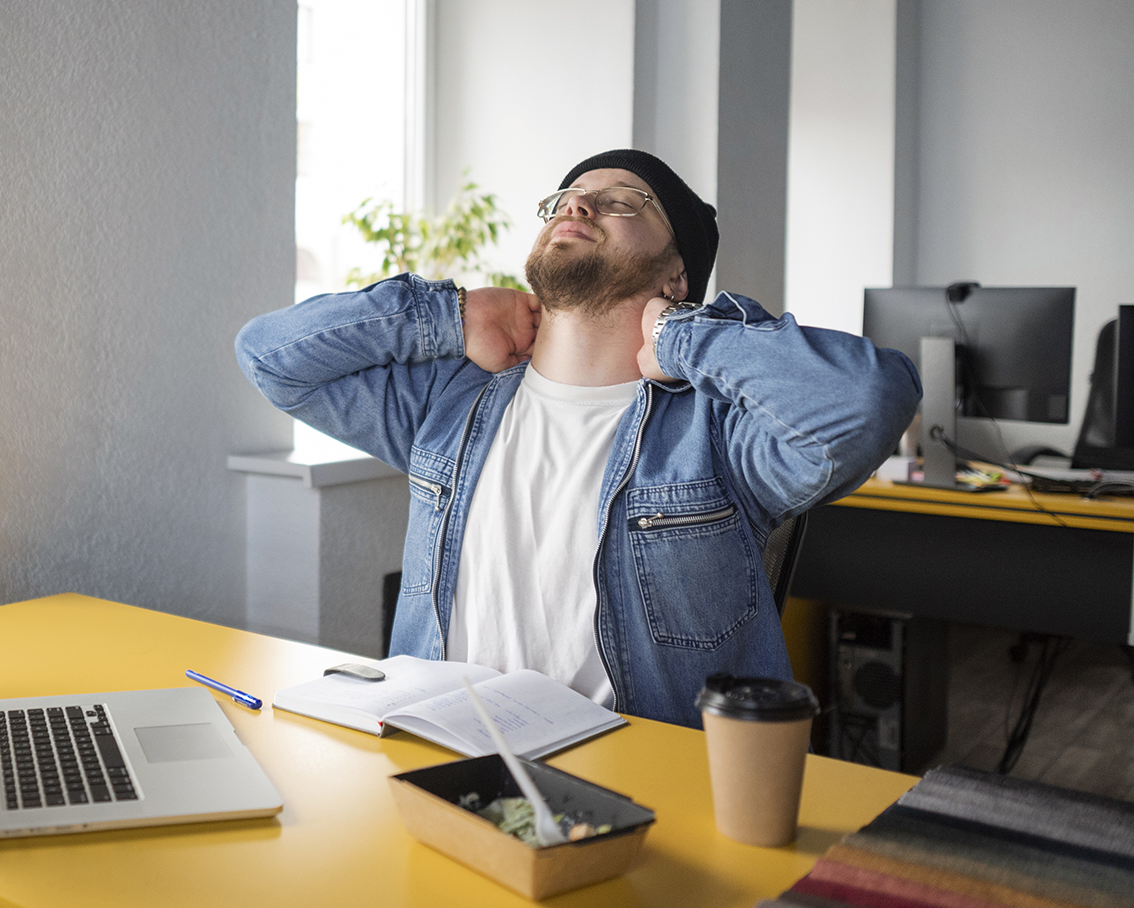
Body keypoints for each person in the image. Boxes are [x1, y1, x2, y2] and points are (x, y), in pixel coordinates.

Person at [235, 149, 920, 728]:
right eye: (567, 197)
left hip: (638, 781)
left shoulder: (718, 433)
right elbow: (270, 355)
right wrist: (449, 315)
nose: (578, 206)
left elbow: (868, 400)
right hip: (445, 759)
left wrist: (679, 336)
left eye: (623, 201)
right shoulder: (447, 403)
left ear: (675, 277)